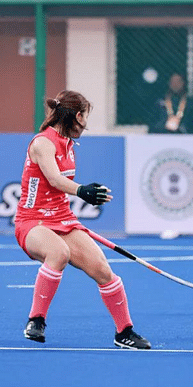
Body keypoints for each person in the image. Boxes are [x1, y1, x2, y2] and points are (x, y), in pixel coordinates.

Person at [14, 91, 150, 349]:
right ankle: (36, 319)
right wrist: (82, 191)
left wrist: (82, 193)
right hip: (32, 221)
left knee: (103, 270)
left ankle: (124, 332)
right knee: (58, 253)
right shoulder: (43, 143)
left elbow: (58, 186)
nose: (85, 124)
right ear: (77, 116)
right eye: (85, 117)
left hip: (63, 219)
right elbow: (54, 180)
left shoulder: (68, 143)